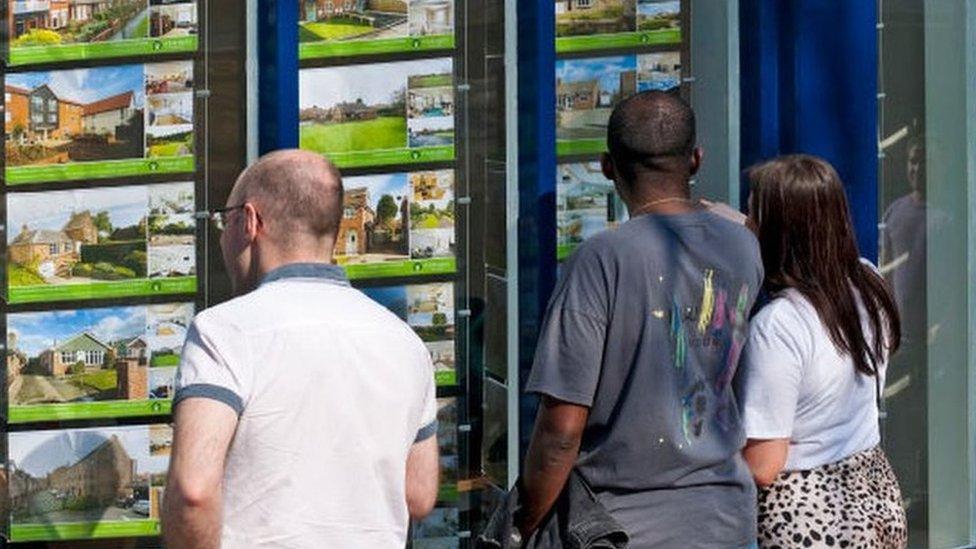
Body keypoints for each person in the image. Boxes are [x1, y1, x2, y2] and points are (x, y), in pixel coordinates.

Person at [517, 90, 763, 548]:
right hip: (728, 520)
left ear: (607, 167)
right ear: (696, 160)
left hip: (625, 527)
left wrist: (522, 524)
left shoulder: (599, 260)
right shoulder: (743, 246)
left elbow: (561, 430)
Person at [161, 150, 439, 548]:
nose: (223, 236)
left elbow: (194, 491)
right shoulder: (405, 342)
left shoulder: (222, 331)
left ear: (251, 221)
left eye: (226, 220)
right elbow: (419, 494)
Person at [736, 155, 908, 548]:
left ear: (776, 231)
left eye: (752, 215)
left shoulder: (779, 324)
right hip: (874, 489)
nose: (746, 226)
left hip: (808, 510)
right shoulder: (868, 280)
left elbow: (764, 465)